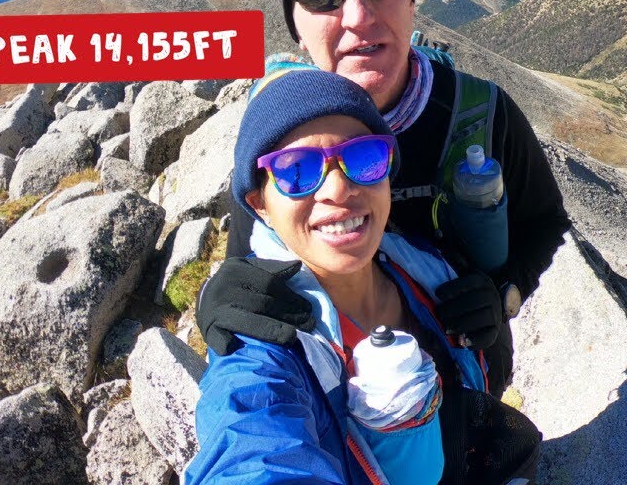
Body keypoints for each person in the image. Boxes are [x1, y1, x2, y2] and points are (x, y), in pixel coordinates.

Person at [198, 0, 574, 395]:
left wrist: (505, 294)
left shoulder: (482, 113)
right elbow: (250, 266)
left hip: (473, 371)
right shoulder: (277, 138)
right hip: (343, 404)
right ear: (296, 30)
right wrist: (224, 300)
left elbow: (545, 222)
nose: (358, 15)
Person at [186, 67, 539, 485]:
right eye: (296, 170)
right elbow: (251, 446)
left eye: (363, 157)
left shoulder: (425, 270)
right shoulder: (262, 343)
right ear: (259, 205)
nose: (338, 189)